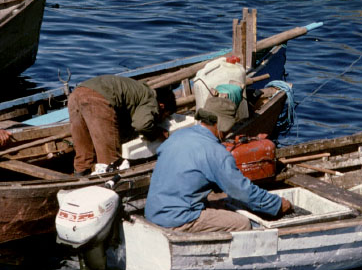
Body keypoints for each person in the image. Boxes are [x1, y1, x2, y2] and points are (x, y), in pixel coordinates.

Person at [145, 95, 292, 232]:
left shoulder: (178, 135)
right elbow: (242, 191)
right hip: (176, 220)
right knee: (242, 223)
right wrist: (277, 204)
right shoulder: (216, 153)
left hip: (153, 212)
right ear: (220, 124)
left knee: (220, 200)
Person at [67, 74, 177, 175]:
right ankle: (109, 186)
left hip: (76, 94)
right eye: (164, 116)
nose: (162, 119)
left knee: (83, 152)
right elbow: (142, 125)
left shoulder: (138, 92)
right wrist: (158, 133)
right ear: (162, 106)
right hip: (97, 99)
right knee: (109, 159)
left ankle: (80, 177)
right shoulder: (150, 99)